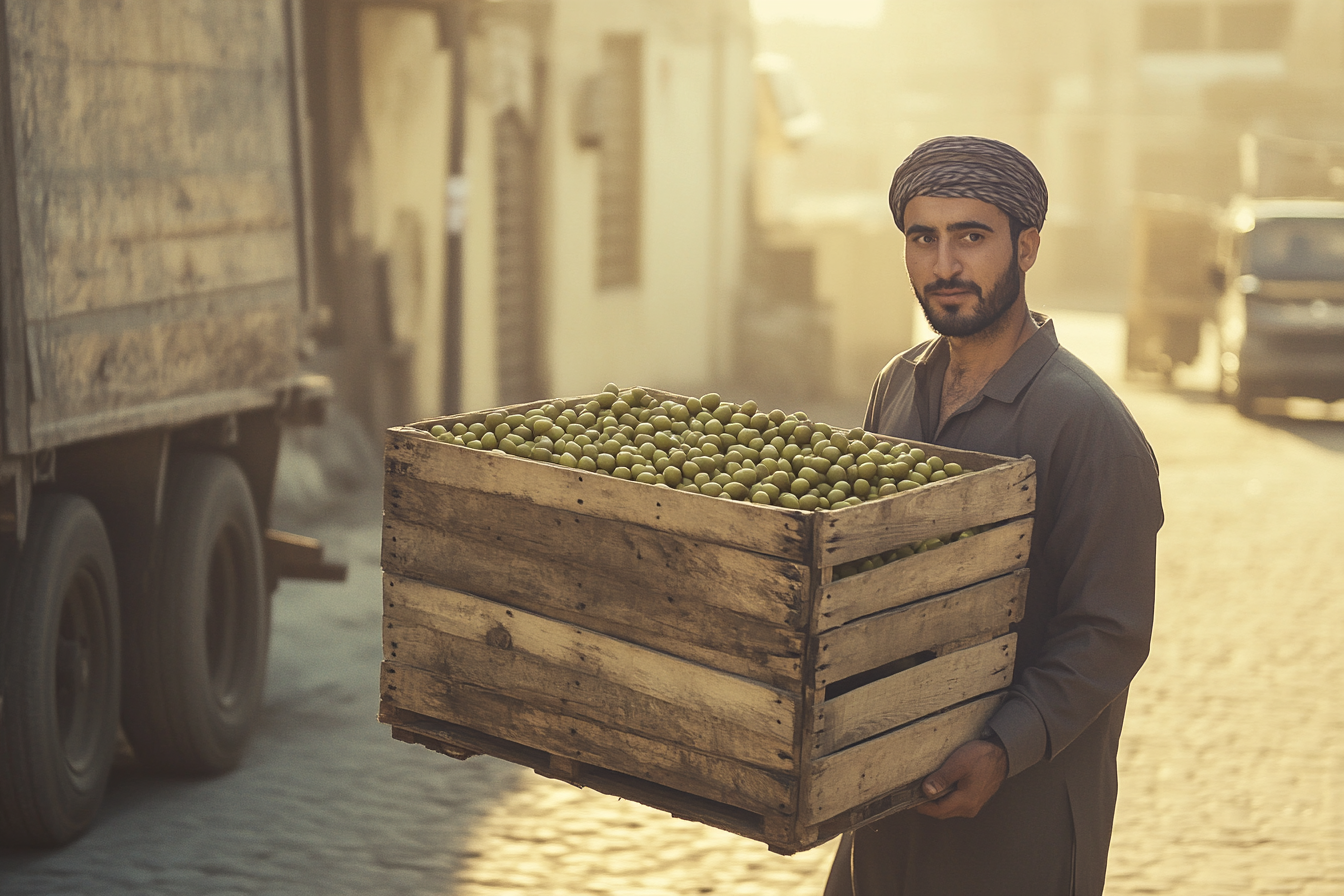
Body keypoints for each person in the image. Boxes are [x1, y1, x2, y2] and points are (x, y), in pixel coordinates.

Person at [823, 135, 1164, 896]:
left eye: (971, 236)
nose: (945, 264)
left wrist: (1004, 747)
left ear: (1027, 247)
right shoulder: (898, 386)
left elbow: (1109, 631)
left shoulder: (1087, 423)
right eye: (923, 238)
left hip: (1018, 818)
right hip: (879, 811)